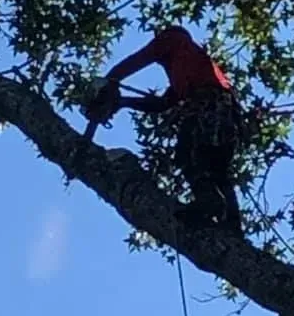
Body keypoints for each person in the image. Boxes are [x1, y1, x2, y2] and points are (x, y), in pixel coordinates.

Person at [90, 26, 243, 232]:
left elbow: (139, 59)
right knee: (217, 168)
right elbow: (161, 104)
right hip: (228, 113)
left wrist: (108, 82)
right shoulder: (191, 65)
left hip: (207, 103)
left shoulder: (172, 40)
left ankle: (209, 200)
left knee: (187, 153)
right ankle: (233, 225)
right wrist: (123, 102)